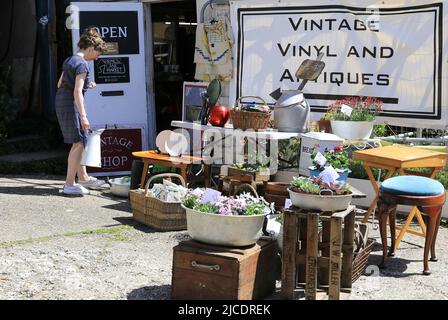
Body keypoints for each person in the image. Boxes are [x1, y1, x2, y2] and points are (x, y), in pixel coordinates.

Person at [55, 27, 107, 195]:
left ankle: (83, 177)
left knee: (80, 140)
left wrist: (86, 84)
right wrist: (83, 117)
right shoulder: (82, 64)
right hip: (71, 104)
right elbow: (77, 92)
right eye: (98, 53)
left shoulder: (70, 60)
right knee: (78, 143)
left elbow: (60, 84)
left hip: (62, 102)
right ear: (91, 49)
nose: (98, 57)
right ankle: (69, 184)